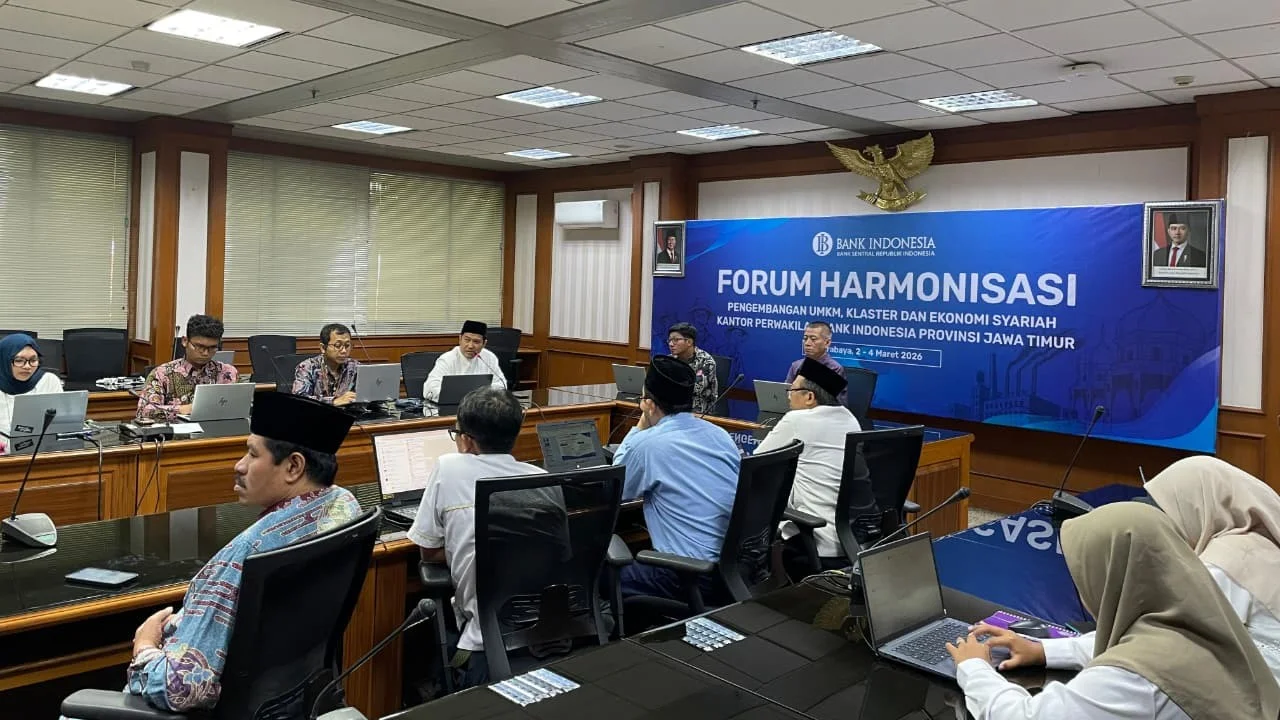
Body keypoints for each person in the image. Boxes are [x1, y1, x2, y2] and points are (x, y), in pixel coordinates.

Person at [123, 391, 361, 712]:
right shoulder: (345, 506)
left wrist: (145, 646)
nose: (239, 465)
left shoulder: (246, 556)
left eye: (251, 454)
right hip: (294, 702)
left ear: (293, 466)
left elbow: (181, 688)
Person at [949, 502, 1280, 720]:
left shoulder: (1135, 677)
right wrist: (1043, 650)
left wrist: (975, 668)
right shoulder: (1202, 618)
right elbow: (1125, 641)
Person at [407, 387, 565, 689]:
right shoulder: (544, 482)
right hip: (550, 640)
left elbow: (427, 551)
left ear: (466, 441)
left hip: (484, 649)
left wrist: (466, 550)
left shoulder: (449, 467)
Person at [612, 356, 740, 602]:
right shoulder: (721, 436)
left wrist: (641, 425)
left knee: (600, 575)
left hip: (687, 576)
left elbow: (617, 487)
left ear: (649, 404)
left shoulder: (649, 445)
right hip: (733, 572)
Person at [1144, 456, 1280, 682]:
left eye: (1170, 511)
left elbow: (1167, 640)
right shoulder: (1262, 544)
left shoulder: (1230, 558)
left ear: (1198, 506)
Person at [756, 357, 866, 577]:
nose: (788, 395)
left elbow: (757, 464)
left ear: (809, 397)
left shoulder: (797, 420)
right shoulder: (850, 419)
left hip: (814, 543)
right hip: (853, 543)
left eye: (792, 390)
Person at [137, 314, 238, 421]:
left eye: (212, 347)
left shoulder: (227, 373)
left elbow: (239, 406)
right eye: (199, 347)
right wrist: (181, 409)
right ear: (185, 341)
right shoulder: (162, 374)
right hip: (176, 430)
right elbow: (144, 412)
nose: (205, 353)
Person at [423, 320, 506, 403]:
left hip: (481, 405)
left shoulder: (489, 358)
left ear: (484, 344)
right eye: (467, 340)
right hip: (453, 405)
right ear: (460, 339)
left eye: (476, 342)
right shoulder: (447, 359)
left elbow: (501, 385)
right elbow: (430, 390)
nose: (470, 346)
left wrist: (480, 396)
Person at [0, 333, 64, 438]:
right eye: (19, 361)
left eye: (33, 360)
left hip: (42, 446)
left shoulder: (48, 381)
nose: (27, 366)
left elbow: (60, 424)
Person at [292, 323, 359, 405]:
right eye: (338, 345)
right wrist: (333, 401)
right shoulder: (307, 367)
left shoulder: (355, 367)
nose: (344, 351)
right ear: (323, 348)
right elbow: (299, 399)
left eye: (347, 345)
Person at [784, 321, 847, 406]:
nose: (807, 343)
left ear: (827, 343)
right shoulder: (796, 366)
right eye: (805, 338)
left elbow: (836, 405)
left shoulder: (834, 369)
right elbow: (785, 394)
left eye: (813, 339)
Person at [666, 322, 718, 414]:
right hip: (672, 411)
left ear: (689, 342)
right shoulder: (669, 360)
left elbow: (695, 389)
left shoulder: (706, 361)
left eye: (676, 340)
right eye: (669, 340)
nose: (671, 344)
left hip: (697, 413)